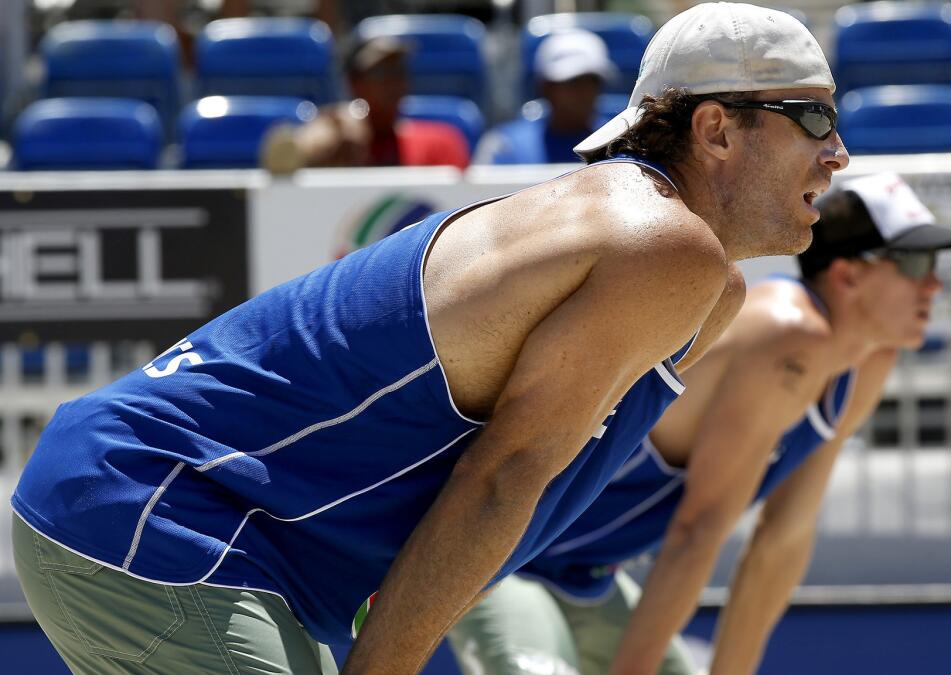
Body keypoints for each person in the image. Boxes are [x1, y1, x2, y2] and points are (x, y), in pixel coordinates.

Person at [10, 3, 846, 674]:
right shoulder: (662, 246)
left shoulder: (696, 277)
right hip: (152, 505)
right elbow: (499, 480)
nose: (838, 153)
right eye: (812, 117)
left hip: (173, 516)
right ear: (717, 130)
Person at [448, 172, 951, 675]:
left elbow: (782, 540)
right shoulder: (789, 334)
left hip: (588, 576)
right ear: (848, 274)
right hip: (499, 552)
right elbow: (694, 533)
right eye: (915, 262)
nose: (934, 284)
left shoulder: (865, 361)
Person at [263, 35, 472, 171]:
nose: (393, 82)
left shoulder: (440, 142)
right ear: (355, 83)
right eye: (382, 73)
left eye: (399, 72)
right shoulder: (337, 139)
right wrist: (327, 130)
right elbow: (282, 158)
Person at [474, 30, 618, 165]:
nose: (583, 92)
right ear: (546, 88)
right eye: (572, 83)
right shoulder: (504, 147)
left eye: (591, 81)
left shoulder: (620, 145)